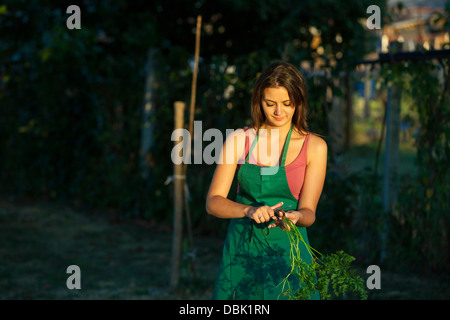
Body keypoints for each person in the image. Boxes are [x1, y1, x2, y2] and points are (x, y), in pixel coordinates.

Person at [205, 61, 327, 300]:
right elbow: (213, 202)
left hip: (289, 256)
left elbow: (309, 212)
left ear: (298, 102)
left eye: (286, 104)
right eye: (270, 104)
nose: (278, 112)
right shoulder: (239, 140)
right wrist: (248, 210)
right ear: (259, 102)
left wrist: (297, 217)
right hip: (242, 251)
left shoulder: (314, 147)